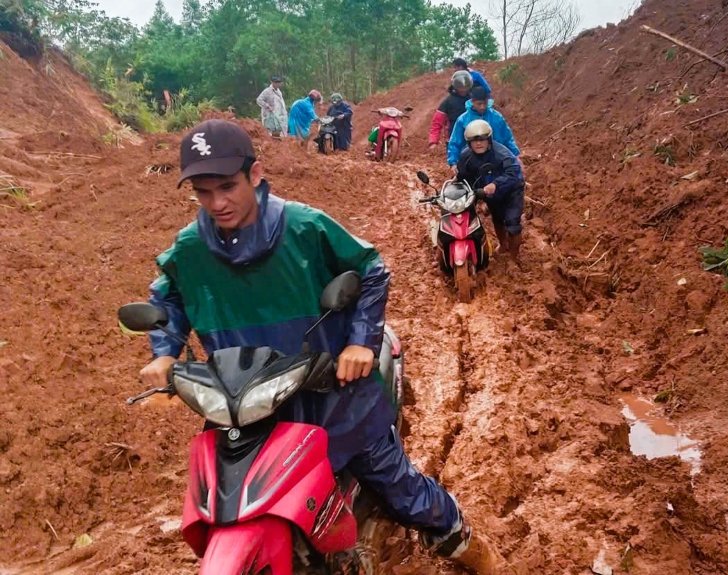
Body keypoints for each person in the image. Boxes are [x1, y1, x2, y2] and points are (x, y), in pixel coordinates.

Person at [138, 119, 503, 574]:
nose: (217, 203)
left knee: (397, 488)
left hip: (332, 398)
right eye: (203, 193)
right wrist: (166, 350)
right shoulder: (191, 248)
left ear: (255, 174)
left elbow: (370, 269)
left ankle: (464, 541)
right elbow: (166, 295)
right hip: (246, 410)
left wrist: (360, 344)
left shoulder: (304, 227)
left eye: (227, 187)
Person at [456, 119, 525, 262]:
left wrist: (496, 184)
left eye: (482, 139)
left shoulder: (502, 154)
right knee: (497, 219)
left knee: (512, 223)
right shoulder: (466, 157)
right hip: (488, 193)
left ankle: (513, 257)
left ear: (489, 140)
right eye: (474, 141)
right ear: (469, 143)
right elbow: (463, 176)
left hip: (511, 191)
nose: (479, 143)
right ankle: (502, 245)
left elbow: (514, 172)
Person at [447, 86, 520, 169]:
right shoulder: (463, 120)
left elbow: (507, 138)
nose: (482, 107)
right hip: (471, 162)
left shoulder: (496, 117)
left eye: (485, 103)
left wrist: (516, 156)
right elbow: (455, 142)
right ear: (472, 102)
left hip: (497, 159)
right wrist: (453, 162)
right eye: (479, 104)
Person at [428, 70, 473, 151]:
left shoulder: (473, 100)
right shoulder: (447, 102)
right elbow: (437, 122)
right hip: (453, 140)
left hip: (473, 138)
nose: (463, 89)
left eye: (465, 87)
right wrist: (433, 141)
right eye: (460, 87)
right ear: (455, 86)